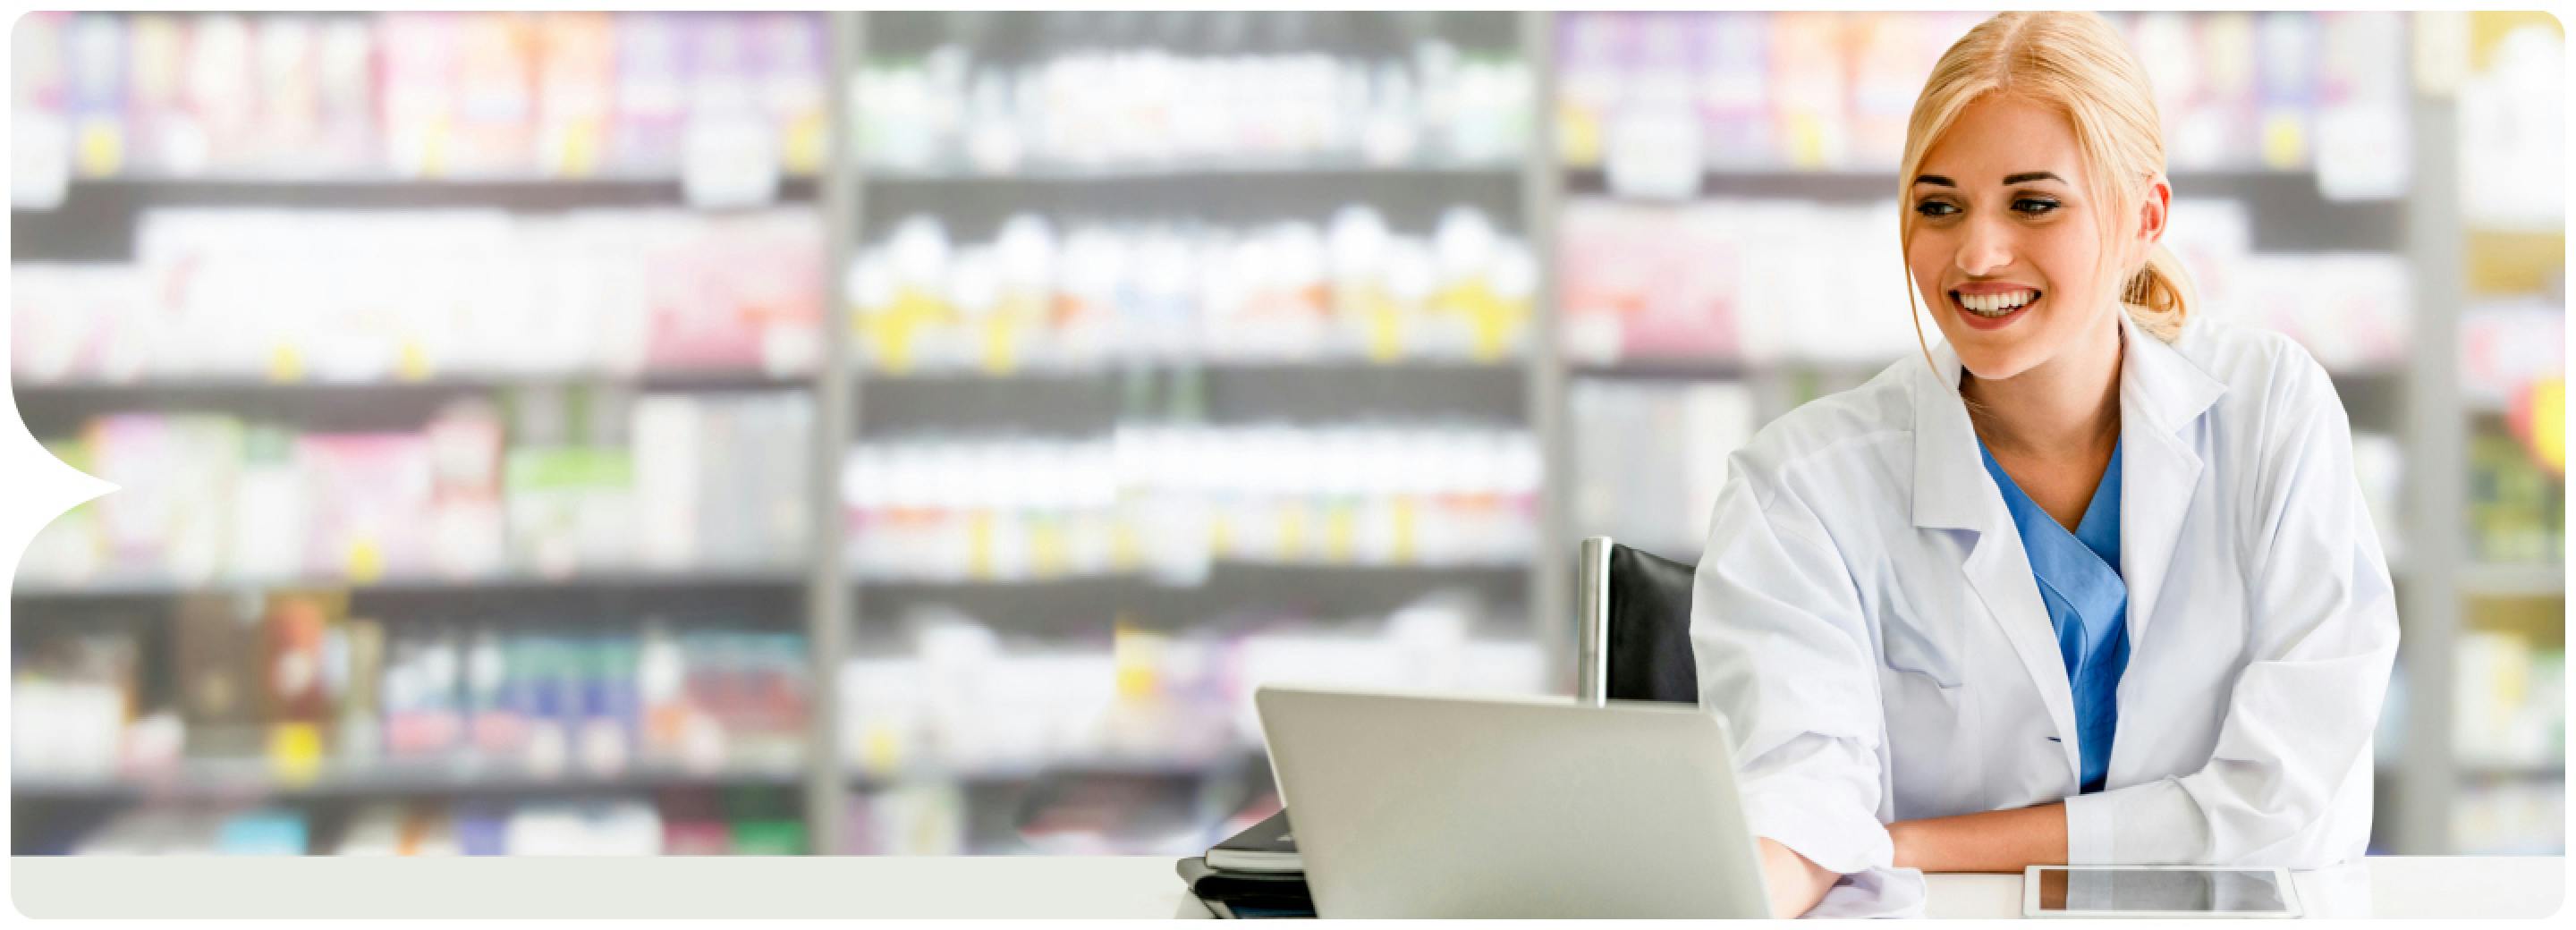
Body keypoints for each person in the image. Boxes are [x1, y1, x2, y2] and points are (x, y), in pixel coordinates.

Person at [1686, 12, 2401, 918]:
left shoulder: (2270, 411)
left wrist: (1912, 844)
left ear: (2144, 217)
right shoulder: (1801, 485)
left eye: (2033, 203)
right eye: (1938, 205)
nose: (1977, 254)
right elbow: (1796, 806)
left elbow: (2292, 808)